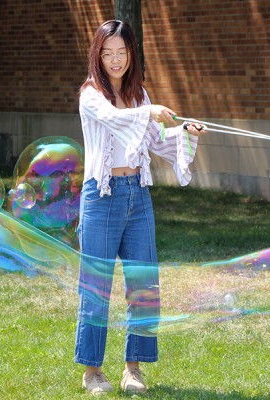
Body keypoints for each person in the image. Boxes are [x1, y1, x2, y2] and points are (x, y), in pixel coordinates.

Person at [75, 20, 207, 395]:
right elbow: (114, 120)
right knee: (96, 287)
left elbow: (155, 140)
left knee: (144, 286)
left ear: (132, 54)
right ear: (97, 56)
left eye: (122, 52)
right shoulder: (90, 95)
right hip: (100, 197)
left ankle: (133, 369)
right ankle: (92, 371)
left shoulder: (139, 95)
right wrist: (149, 114)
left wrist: (183, 132)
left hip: (138, 195)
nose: (115, 60)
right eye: (108, 53)